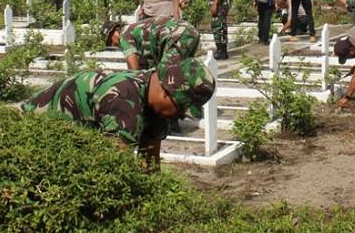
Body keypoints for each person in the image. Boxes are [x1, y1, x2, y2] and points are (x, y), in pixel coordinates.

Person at [22, 58, 216, 172]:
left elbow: (149, 165)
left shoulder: (156, 107)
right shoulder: (126, 103)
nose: (181, 117)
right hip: (35, 132)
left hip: (73, 142)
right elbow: (112, 171)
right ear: (168, 93)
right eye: (182, 108)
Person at [103, 16, 200, 71]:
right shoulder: (134, 34)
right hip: (190, 32)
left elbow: (134, 70)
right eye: (109, 44)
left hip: (178, 35)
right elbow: (141, 68)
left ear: (116, 30)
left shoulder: (124, 35)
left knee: (167, 74)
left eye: (110, 40)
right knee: (183, 73)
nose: (113, 44)